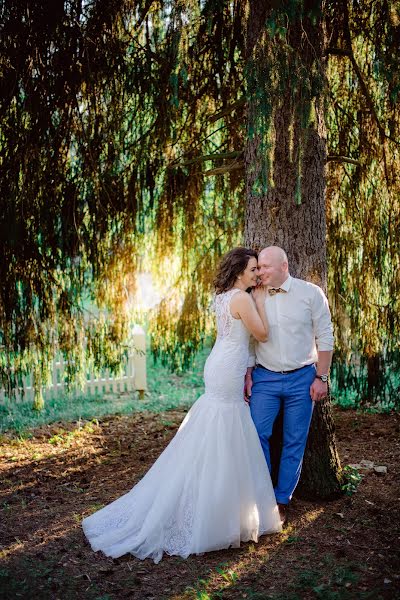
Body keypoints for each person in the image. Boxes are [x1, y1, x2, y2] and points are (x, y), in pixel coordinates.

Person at [82, 247, 281, 563]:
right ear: (240, 271)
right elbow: (263, 334)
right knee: (225, 427)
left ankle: (221, 506)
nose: (257, 274)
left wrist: (246, 369)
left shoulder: (224, 297)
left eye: (259, 269)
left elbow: (233, 338)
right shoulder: (244, 298)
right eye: (253, 269)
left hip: (222, 364)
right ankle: (216, 513)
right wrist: (261, 299)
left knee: (217, 427)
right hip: (226, 367)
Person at [245, 246, 334, 526]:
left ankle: (281, 501)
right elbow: (247, 340)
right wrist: (248, 374)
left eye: (265, 267)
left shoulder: (311, 294)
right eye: (257, 267)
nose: (260, 272)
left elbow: (325, 336)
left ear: (284, 266)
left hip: (302, 378)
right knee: (257, 434)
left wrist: (321, 377)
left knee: (295, 441)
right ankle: (262, 497)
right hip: (265, 378)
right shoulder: (253, 296)